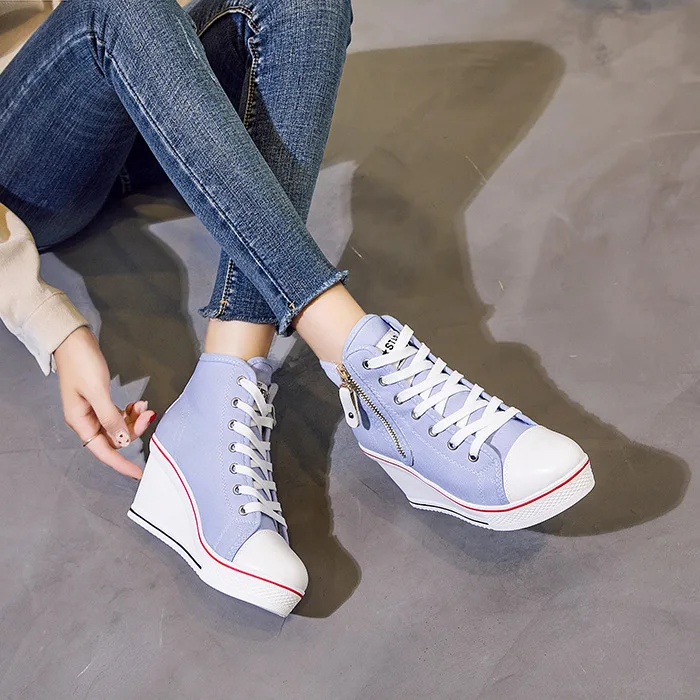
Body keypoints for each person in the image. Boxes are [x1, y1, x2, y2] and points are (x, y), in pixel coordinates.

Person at [0, 0, 594, 617]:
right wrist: (44, 319)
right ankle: (362, 358)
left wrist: (166, 66)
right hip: (28, 163)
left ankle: (220, 391)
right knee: (117, 8)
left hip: (125, 90)